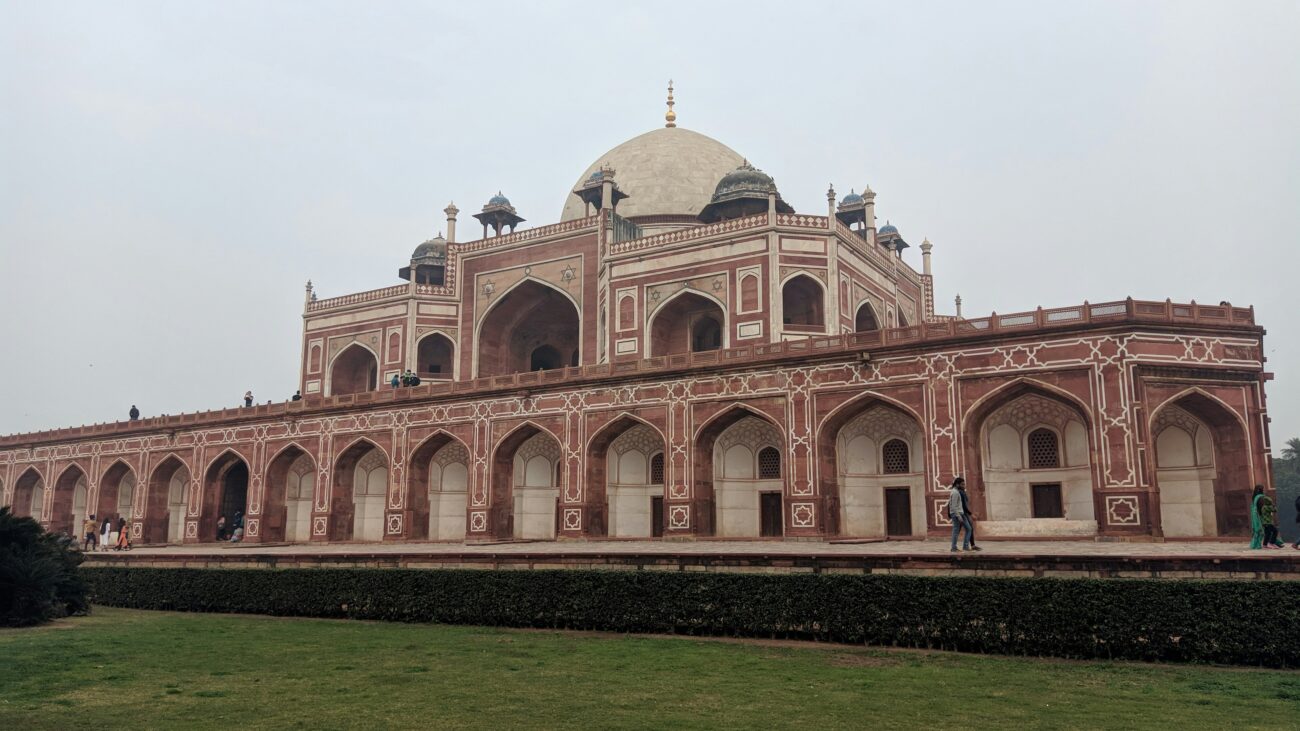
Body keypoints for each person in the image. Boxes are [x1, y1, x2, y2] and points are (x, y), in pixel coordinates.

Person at [947, 476, 980, 552]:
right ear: (957, 484)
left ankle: (965, 546)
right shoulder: (955, 492)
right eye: (962, 484)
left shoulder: (956, 492)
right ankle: (954, 548)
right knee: (956, 531)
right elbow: (954, 506)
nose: (964, 486)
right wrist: (959, 516)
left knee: (968, 529)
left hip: (961, 513)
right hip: (957, 514)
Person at [1250, 485, 1266, 549]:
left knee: (1257, 531)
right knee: (1261, 530)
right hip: (1260, 516)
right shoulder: (1261, 497)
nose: (1264, 490)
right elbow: (1262, 508)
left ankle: (1255, 544)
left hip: (1255, 516)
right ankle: (1258, 545)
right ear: (1261, 490)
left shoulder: (1254, 497)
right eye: (1263, 489)